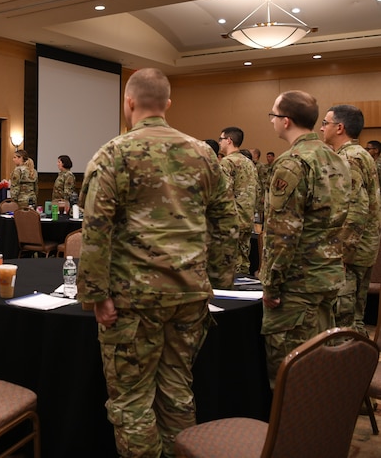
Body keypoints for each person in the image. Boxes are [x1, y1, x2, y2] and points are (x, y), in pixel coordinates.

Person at [77, 68, 238, 458]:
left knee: (131, 402)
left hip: (135, 301)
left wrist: (96, 295)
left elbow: (96, 229)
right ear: (167, 104)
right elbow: (228, 221)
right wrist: (214, 277)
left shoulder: (114, 153)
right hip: (190, 296)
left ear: (128, 102)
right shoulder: (203, 153)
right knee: (177, 391)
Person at [261, 90, 349, 387]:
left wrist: (271, 285)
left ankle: (292, 435)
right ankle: (323, 432)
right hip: (328, 277)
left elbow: (282, 234)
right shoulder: (337, 159)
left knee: (291, 377)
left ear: (285, 121)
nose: (271, 121)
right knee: (321, 368)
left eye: (272, 116)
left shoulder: (292, 163)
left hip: (296, 287)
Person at [320, 105, 381, 336]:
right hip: (363, 246)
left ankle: (347, 369)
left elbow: (356, 208)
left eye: (325, 123)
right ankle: (356, 366)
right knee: (355, 315)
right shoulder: (361, 154)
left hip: (351, 251)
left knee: (344, 321)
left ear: (339, 127)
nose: (322, 128)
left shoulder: (347, 158)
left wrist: (341, 252)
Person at [218, 126, 258, 275]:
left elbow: (223, 194)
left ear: (229, 140)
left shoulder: (227, 163)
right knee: (243, 262)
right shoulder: (249, 163)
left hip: (232, 221)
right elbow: (257, 190)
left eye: (221, 139)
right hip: (247, 219)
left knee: (229, 266)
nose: (219, 143)